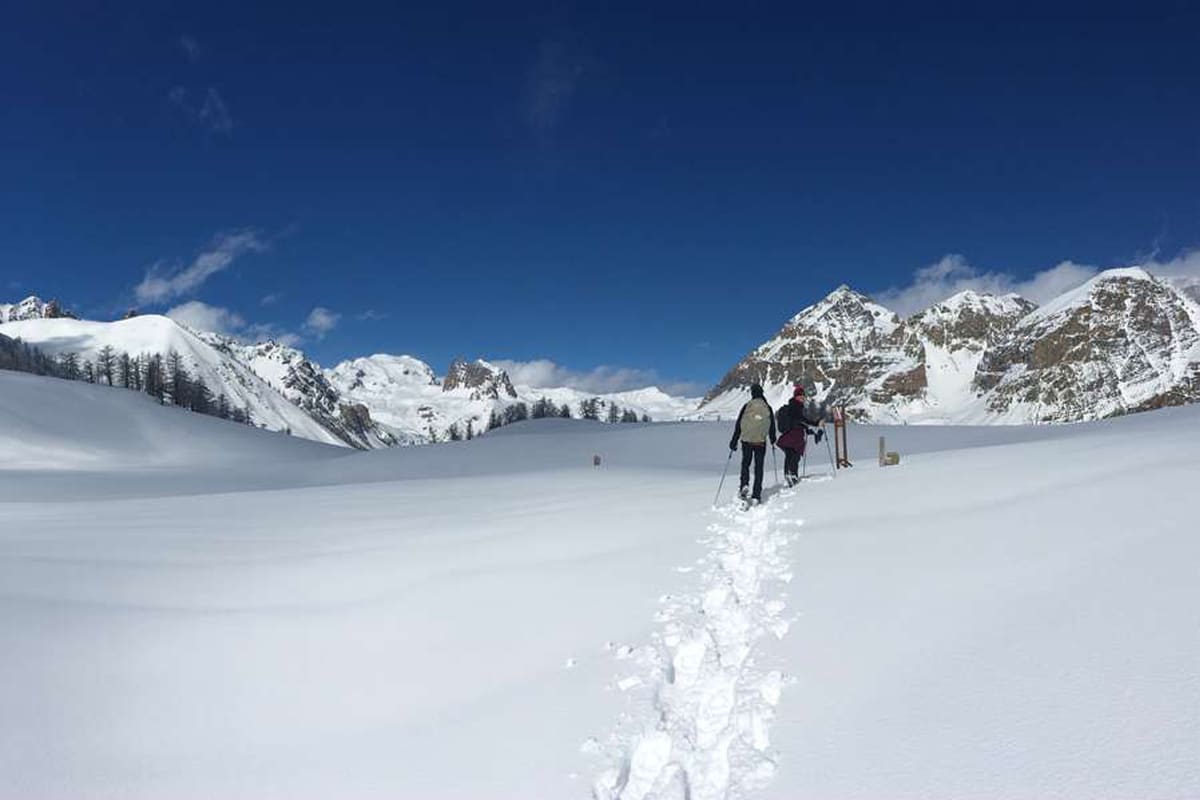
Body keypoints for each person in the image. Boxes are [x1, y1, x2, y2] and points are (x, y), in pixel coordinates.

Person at [729, 383, 776, 504]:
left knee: (746, 464)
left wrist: (734, 441)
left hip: (747, 441)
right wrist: (773, 439)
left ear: (752, 394)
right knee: (759, 467)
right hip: (761, 441)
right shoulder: (767, 407)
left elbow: (739, 424)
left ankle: (744, 485)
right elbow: (772, 425)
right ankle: (756, 494)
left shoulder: (747, 406)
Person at [776, 383, 823, 487]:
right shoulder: (796, 406)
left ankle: (788, 474)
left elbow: (798, 421)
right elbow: (801, 420)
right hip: (795, 435)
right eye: (800, 396)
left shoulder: (792, 405)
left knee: (789, 455)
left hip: (787, 435)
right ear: (796, 396)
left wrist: (807, 429)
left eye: (803, 396)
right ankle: (793, 475)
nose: (802, 398)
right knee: (795, 455)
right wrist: (815, 423)